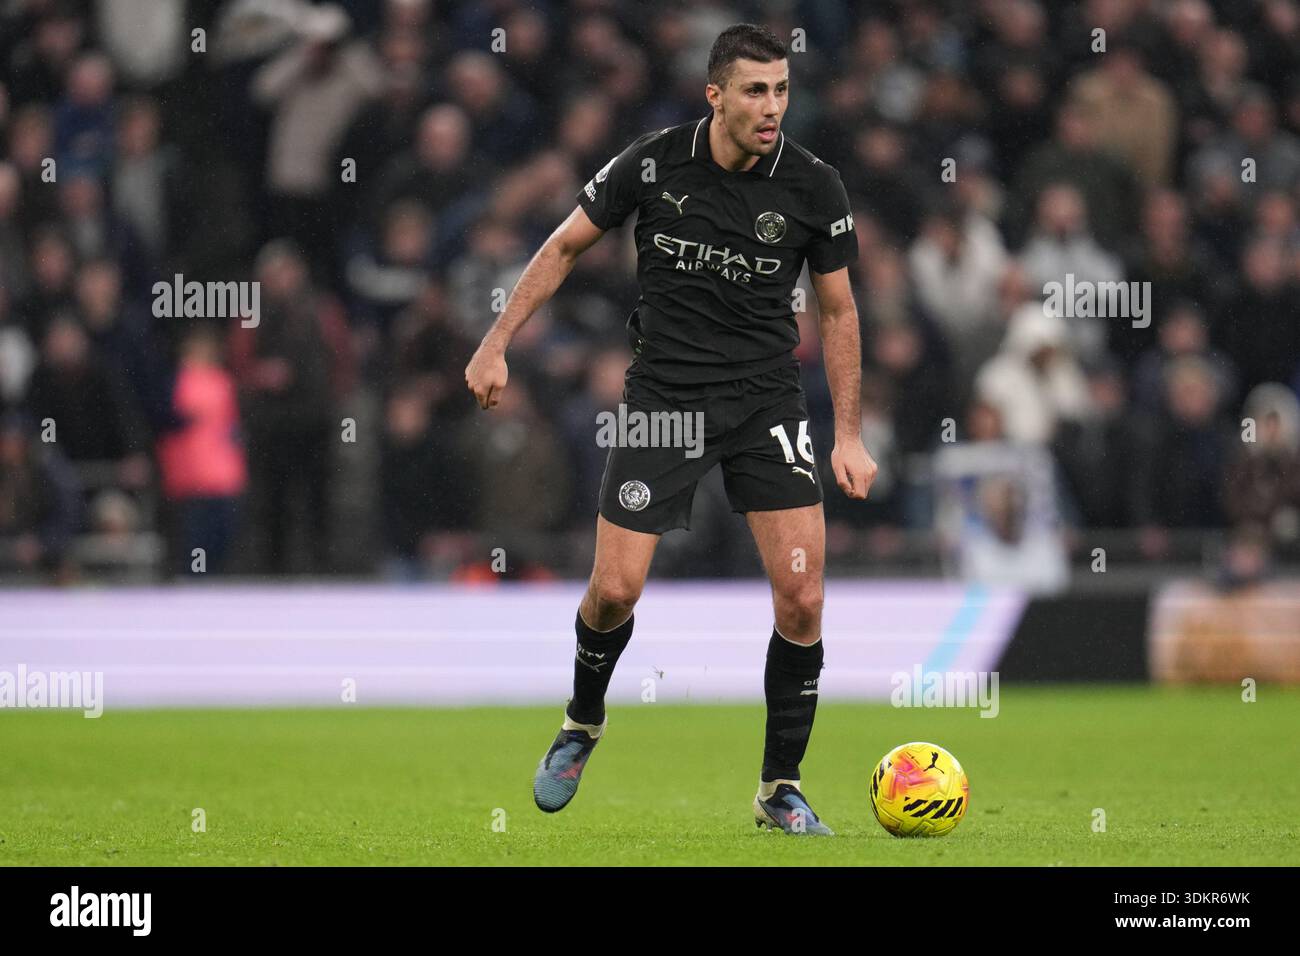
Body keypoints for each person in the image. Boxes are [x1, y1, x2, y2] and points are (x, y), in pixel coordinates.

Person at [464, 24, 877, 835]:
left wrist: (849, 434)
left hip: (765, 405)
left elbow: (838, 309)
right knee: (615, 589)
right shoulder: (652, 163)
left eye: (783, 90)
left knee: (802, 597)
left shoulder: (814, 185)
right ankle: (582, 722)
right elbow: (562, 247)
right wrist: (496, 340)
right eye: (756, 91)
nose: (773, 107)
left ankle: (779, 787)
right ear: (715, 95)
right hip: (665, 401)